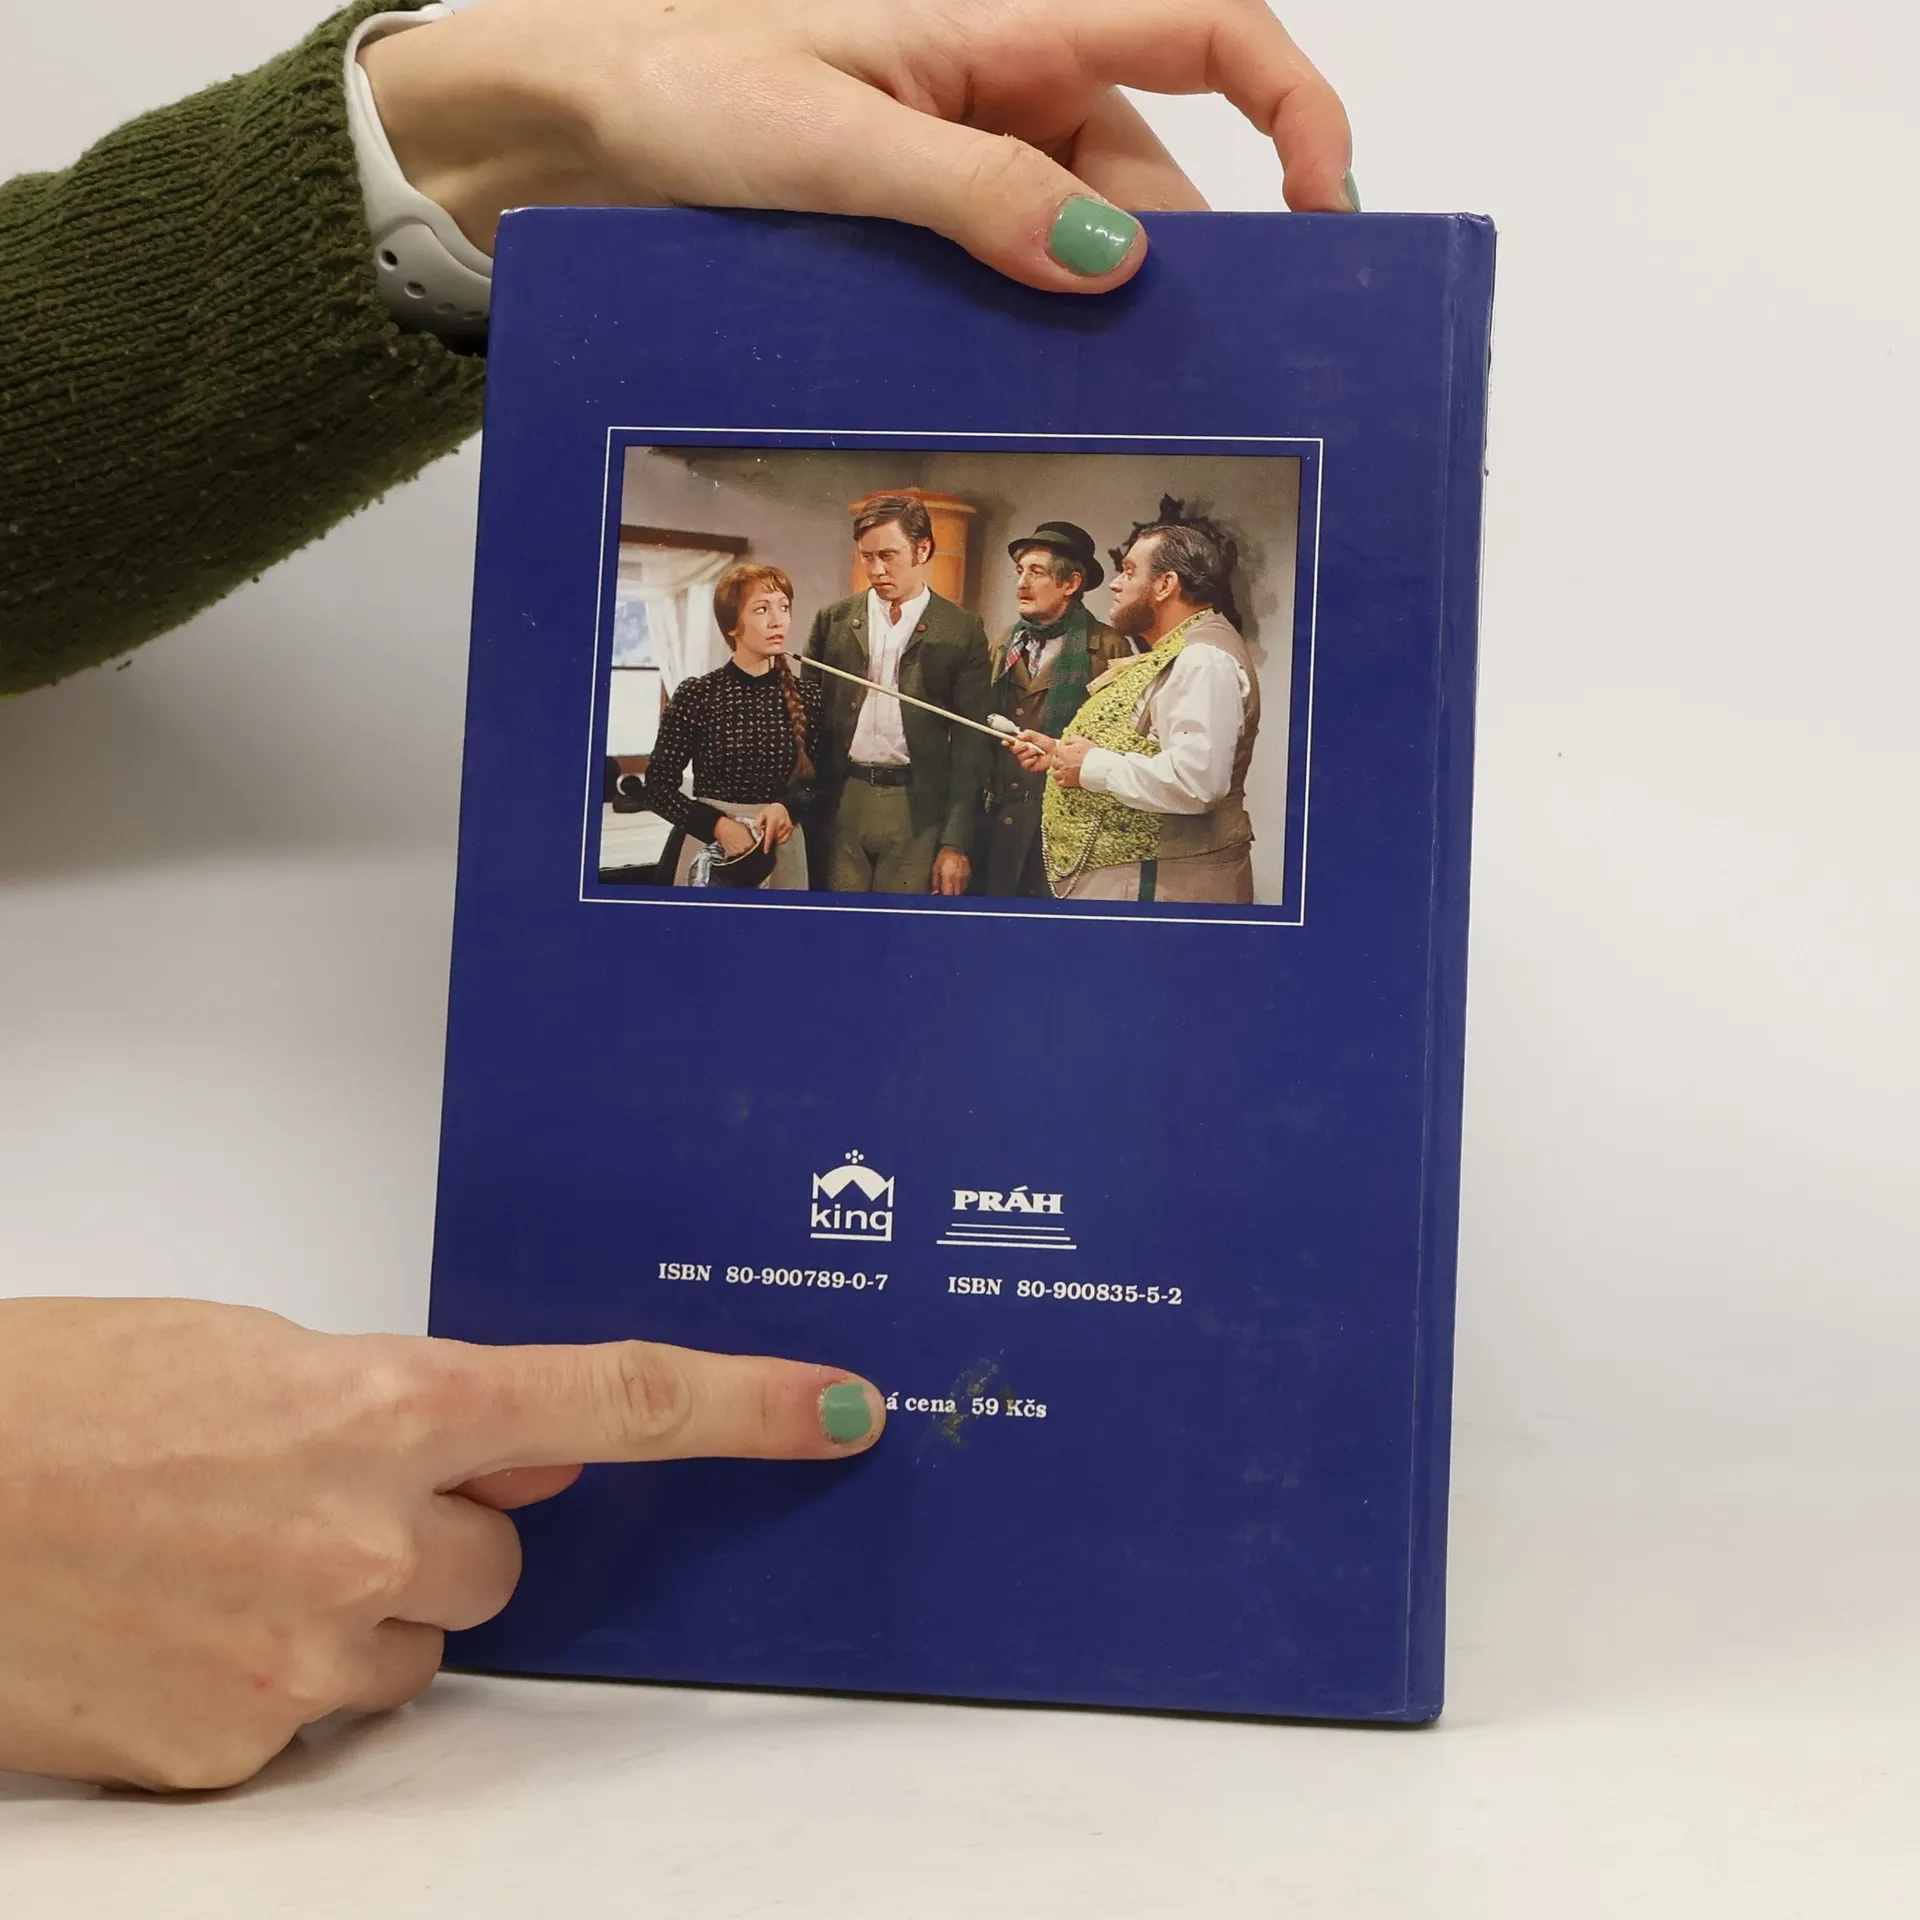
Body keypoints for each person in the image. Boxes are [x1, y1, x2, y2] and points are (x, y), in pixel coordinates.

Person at [0, 0, 1354, 1789]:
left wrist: (507, 119)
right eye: (795, 587)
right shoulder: (755, 678)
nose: (818, 596)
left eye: (845, 576)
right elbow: (698, 774)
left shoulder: (1043, 653)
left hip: (955, 835)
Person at [1012, 501, 1262, 905]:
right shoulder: (1176, 650)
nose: (1115, 584)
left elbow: (1196, 781)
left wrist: (1090, 766)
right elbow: (1148, 748)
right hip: (1146, 879)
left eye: (1129, 571)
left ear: (1165, 585)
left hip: (1165, 884)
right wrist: (1060, 753)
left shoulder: (1202, 657)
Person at [804, 494, 992, 895]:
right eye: (866, 557)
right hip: (842, 799)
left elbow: (971, 747)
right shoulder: (832, 620)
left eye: (888, 555)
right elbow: (806, 724)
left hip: (916, 808)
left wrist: (955, 842)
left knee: (900, 924)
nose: (876, 569)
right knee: (838, 923)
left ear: (923, 549)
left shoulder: (962, 629)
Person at [622, 562, 821, 889]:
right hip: (709, 845)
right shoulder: (697, 694)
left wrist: (788, 807)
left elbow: (821, 782)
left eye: (784, 607)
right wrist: (717, 826)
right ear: (732, 626)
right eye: (762, 609)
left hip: (781, 848)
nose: (778, 620)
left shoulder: (809, 696)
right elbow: (657, 788)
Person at [977, 520, 1133, 898]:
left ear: (1071, 583)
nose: (1022, 583)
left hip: (1064, 828)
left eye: (1036, 572)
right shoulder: (1006, 643)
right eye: (1020, 571)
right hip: (998, 823)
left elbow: (1120, 744)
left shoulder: (1109, 648)